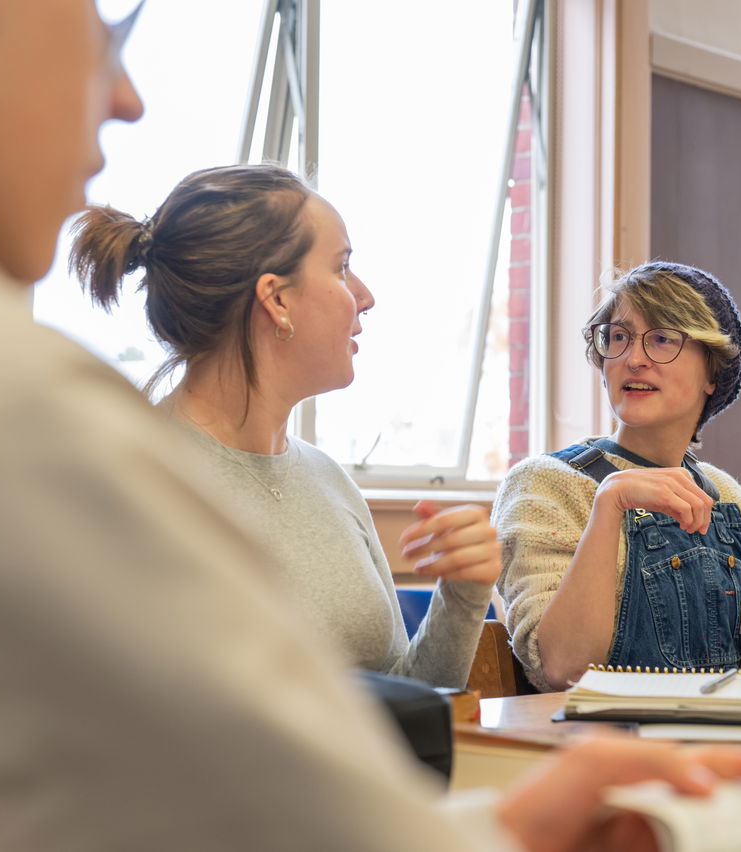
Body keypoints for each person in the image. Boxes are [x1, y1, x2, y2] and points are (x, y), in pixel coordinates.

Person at [0, 1, 741, 849]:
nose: (121, 97)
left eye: (666, 341)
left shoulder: (310, 472)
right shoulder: (19, 421)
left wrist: (465, 609)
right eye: (90, 20)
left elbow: (369, 722)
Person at [68, 164, 499, 688]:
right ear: (276, 299)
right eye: (341, 268)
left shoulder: (329, 480)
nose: (364, 296)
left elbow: (405, 702)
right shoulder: (138, 479)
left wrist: (463, 596)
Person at [493, 262, 741, 691]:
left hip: (716, 740)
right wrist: (609, 506)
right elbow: (562, 668)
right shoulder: (545, 484)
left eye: (662, 339)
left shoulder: (729, 498)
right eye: (619, 337)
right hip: (598, 746)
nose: (634, 359)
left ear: (714, 373)